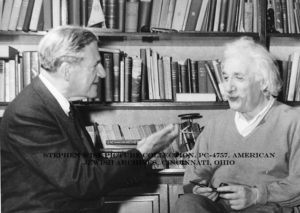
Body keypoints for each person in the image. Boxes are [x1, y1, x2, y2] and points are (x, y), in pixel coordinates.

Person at [0, 26, 178, 213]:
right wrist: (143, 151)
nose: (102, 73)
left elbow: (90, 171)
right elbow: (81, 181)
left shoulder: (57, 105)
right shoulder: (29, 113)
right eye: (95, 65)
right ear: (67, 70)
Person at [175, 37, 300, 213]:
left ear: (263, 82)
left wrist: (256, 195)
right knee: (188, 203)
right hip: (220, 207)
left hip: (267, 207)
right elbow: (194, 174)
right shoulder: (216, 126)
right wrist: (198, 187)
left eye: (239, 78)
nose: (228, 87)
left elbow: (298, 183)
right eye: (225, 77)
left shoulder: (293, 121)